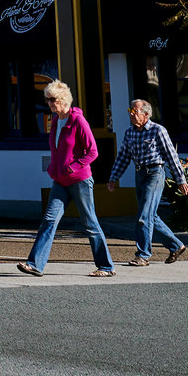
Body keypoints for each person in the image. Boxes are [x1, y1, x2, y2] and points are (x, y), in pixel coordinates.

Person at [18, 80, 114, 277]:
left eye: (52, 99)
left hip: (80, 180)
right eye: (47, 100)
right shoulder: (56, 121)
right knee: (49, 220)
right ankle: (35, 264)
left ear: (63, 100)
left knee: (90, 223)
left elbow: (93, 152)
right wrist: (55, 168)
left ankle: (106, 266)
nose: (49, 103)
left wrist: (73, 166)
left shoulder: (78, 121)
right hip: (60, 181)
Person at [106, 97, 188, 266]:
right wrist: (113, 178)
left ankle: (143, 255)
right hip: (140, 174)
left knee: (144, 216)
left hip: (155, 173)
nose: (131, 114)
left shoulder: (158, 130)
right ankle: (176, 245)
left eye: (134, 111)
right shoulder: (129, 133)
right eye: (130, 111)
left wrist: (180, 179)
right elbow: (123, 157)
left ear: (145, 114)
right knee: (150, 215)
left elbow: (171, 156)